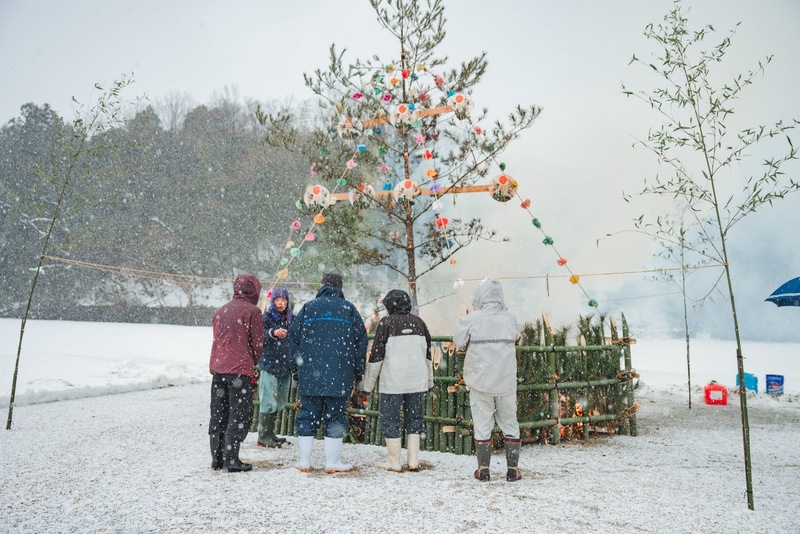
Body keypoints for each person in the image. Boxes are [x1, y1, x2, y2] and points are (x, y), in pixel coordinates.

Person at [289, 272, 368, 473]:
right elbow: (361, 341)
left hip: (309, 373)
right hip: (340, 373)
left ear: (322, 285)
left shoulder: (308, 308)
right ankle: (332, 462)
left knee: (307, 416)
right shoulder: (348, 309)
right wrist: (358, 371)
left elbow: (293, 340)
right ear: (340, 287)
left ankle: (304, 461)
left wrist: (296, 369)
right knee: (335, 417)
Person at [454, 278, 522, 482]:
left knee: (482, 425)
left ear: (480, 296)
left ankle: (483, 469)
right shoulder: (510, 319)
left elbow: (459, 343)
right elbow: (518, 338)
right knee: (510, 424)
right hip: (506, 381)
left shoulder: (471, 319)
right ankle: (512, 469)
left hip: (480, 381)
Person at [360, 289, 432, 472]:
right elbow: (428, 355)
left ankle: (394, 461)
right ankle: (413, 461)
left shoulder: (386, 323)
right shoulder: (419, 323)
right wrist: (429, 381)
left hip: (393, 382)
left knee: (390, 420)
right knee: (414, 419)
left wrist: (367, 385)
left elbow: (376, 357)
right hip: (416, 382)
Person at [208, 274, 265, 473]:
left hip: (219, 370)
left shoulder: (221, 311)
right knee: (238, 413)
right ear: (254, 290)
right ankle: (231, 459)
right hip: (239, 371)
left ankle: (217, 458)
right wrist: (252, 362)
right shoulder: (253, 312)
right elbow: (257, 344)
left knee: (219, 413)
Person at [256, 287, 293, 448]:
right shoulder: (266, 318)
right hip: (270, 364)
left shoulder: (291, 319)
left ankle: (270, 433)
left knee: (280, 401)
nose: (281, 303)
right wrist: (272, 332)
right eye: (277, 300)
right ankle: (263, 436)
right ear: (273, 301)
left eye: (284, 300)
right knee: (268, 400)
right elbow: (259, 335)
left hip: (285, 366)